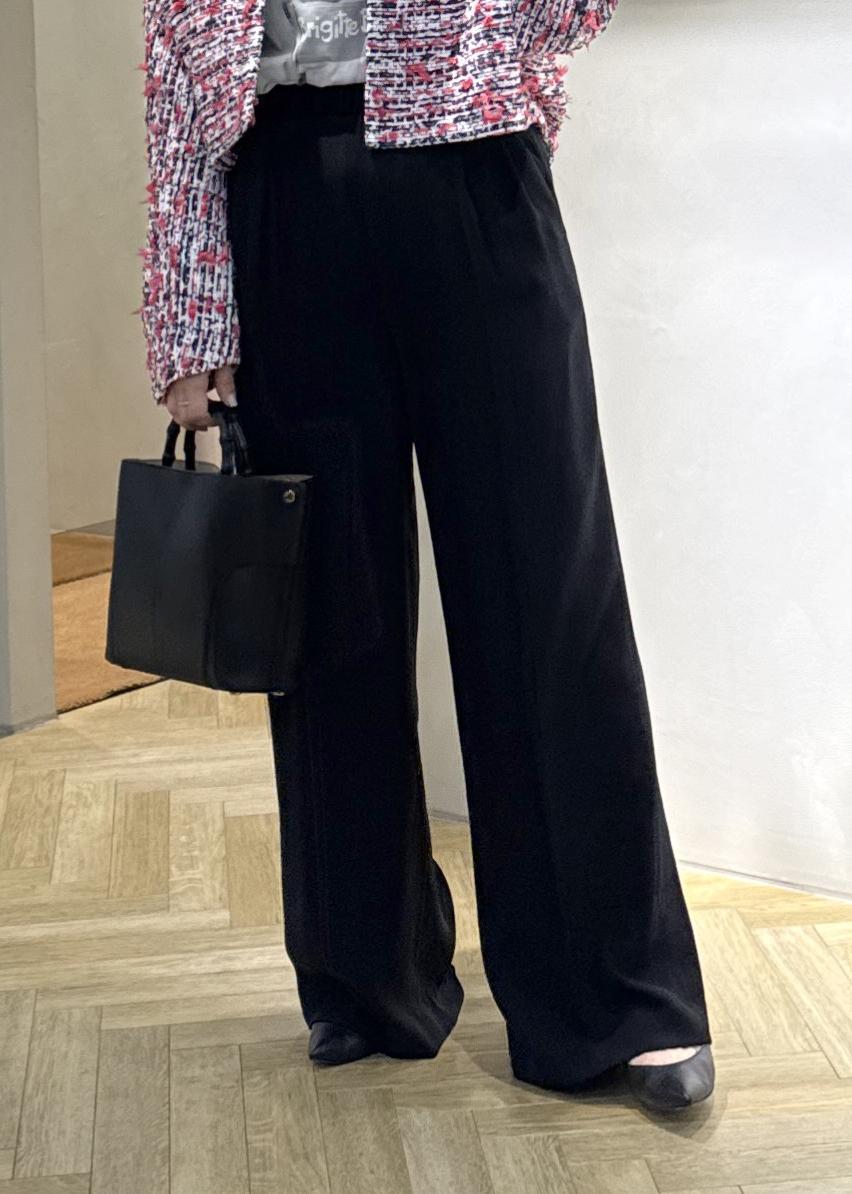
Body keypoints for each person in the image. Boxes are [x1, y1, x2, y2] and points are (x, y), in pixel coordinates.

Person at [140, 0, 715, 1113]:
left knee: (548, 596)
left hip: (473, 168)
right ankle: (365, 978)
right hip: (283, 184)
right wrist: (188, 316)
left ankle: (613, 996)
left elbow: (573, 13)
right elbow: (176, 47)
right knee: (328, 613)